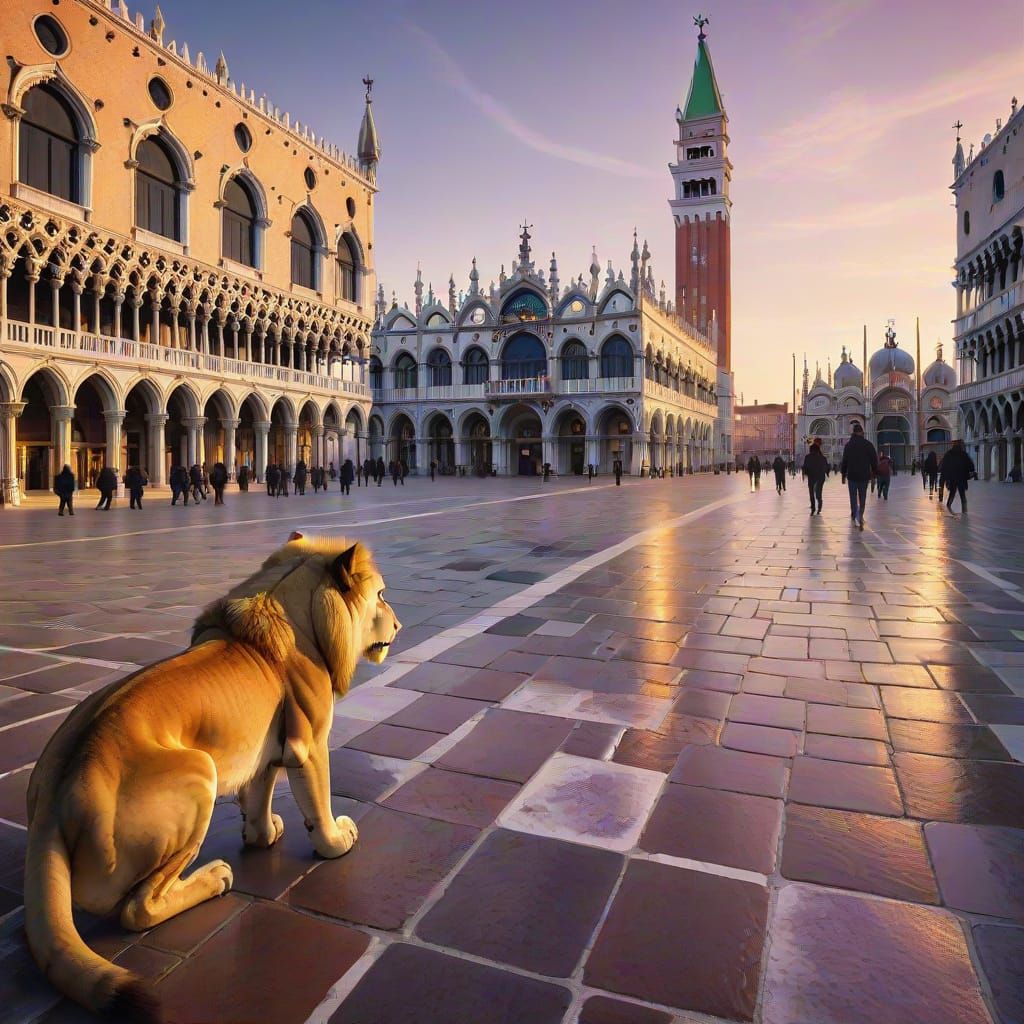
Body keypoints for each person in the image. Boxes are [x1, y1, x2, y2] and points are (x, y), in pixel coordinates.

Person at [840, 422, 878, 530]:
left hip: (852, 475)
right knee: (862, 496)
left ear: (853, 433)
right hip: (864, 475)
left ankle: (855, 514)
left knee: (852, 496)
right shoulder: (868, 444)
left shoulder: (848, 445)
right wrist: (874, 473)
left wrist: (843, 474)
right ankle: (860, 514)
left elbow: (845, 461)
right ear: (861, 432)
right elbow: (874, 460)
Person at [939, 439, 976, 514]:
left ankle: (948, 507)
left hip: (952, 479)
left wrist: (946, 477)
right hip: (961, 478)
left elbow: (944, 466)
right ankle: (964, 511)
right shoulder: (963, 454)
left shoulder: (948, 454)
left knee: (952, 493)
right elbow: (971, 466)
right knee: (962, 495)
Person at [802, 438, 829, 514]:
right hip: (820, 477)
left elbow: (805, 467)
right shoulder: (822, 458)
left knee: (811, 493)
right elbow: (827, 467)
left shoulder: (807, 457)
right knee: (818, 492)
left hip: (811, 477)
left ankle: (813, 507)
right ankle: (819, 503)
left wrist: (805, 473)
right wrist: (826, 473)